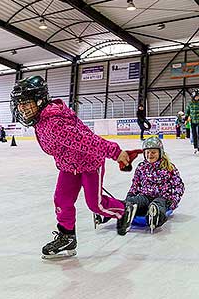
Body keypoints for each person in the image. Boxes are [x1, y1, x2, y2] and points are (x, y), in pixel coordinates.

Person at [10, 75, 140, 258]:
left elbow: (86, 141)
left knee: (96, 205)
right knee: (61, 200)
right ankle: (67, 237)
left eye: (25, 103)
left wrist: (115, 152)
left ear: (39, 100)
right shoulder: (41, 119)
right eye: (19, 104)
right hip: (68, 165)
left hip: (89, 163)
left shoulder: (54, 123)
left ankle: (125, 209)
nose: (21, 108)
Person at [124, 136, 184, 233]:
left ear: (160, 152)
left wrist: (173, 201)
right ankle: (108, 214)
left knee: (158, 204)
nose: (149, 155)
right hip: (145, 196)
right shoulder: (141, 167)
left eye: (153, 152)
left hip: (162, 197)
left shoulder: (168, 168)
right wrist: (130, 196)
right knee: (131, 201)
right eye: (147, 152)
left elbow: (179, 187)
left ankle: (155, 215)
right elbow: (136, 184)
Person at [185, 89, 199, 154]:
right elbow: (187, 111)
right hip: (193, 121)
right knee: (194, 135)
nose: (198, 97)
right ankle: (196, 147)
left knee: (198, 133)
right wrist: (186, 117)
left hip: (198, 121)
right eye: (197, 96)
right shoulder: (190, 103)